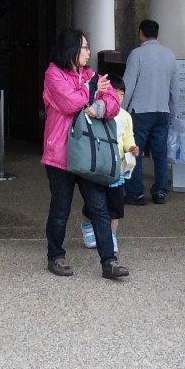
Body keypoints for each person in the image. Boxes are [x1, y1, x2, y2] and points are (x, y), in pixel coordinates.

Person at [43, 28, 130, 280]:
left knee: (99, 207)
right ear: (71, 48)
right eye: (84, 47)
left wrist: (99, 106)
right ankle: (55, 256)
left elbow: (113, 100)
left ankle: (109, 261)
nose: (89, 52)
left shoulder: (90, 74)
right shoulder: (53, 74)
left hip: (90, 153)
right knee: (61, 209)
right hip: (60, 155)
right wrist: (91, 90)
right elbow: (69, 103)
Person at [121, 19, 178, 205]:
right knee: (160, 153)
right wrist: (173, 111)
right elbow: (174, 88)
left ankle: (135, 193)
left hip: (140, 111)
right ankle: (160, 191)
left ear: (141, 33)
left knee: (134, 151)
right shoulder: (169, 55)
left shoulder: (137, 54)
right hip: (162, 110)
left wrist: (120, 110)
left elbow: (128, 85)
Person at [80, 78, 138, 253]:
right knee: (94, 203)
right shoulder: (96, 112)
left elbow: (128, 137)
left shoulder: (125, 116)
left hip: (117, 168)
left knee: (115, 206)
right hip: (99, 165)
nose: (118, 98)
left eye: (122, 95)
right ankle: (88, 225)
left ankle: (111, 236)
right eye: (115, 93)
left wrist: (131, 148)